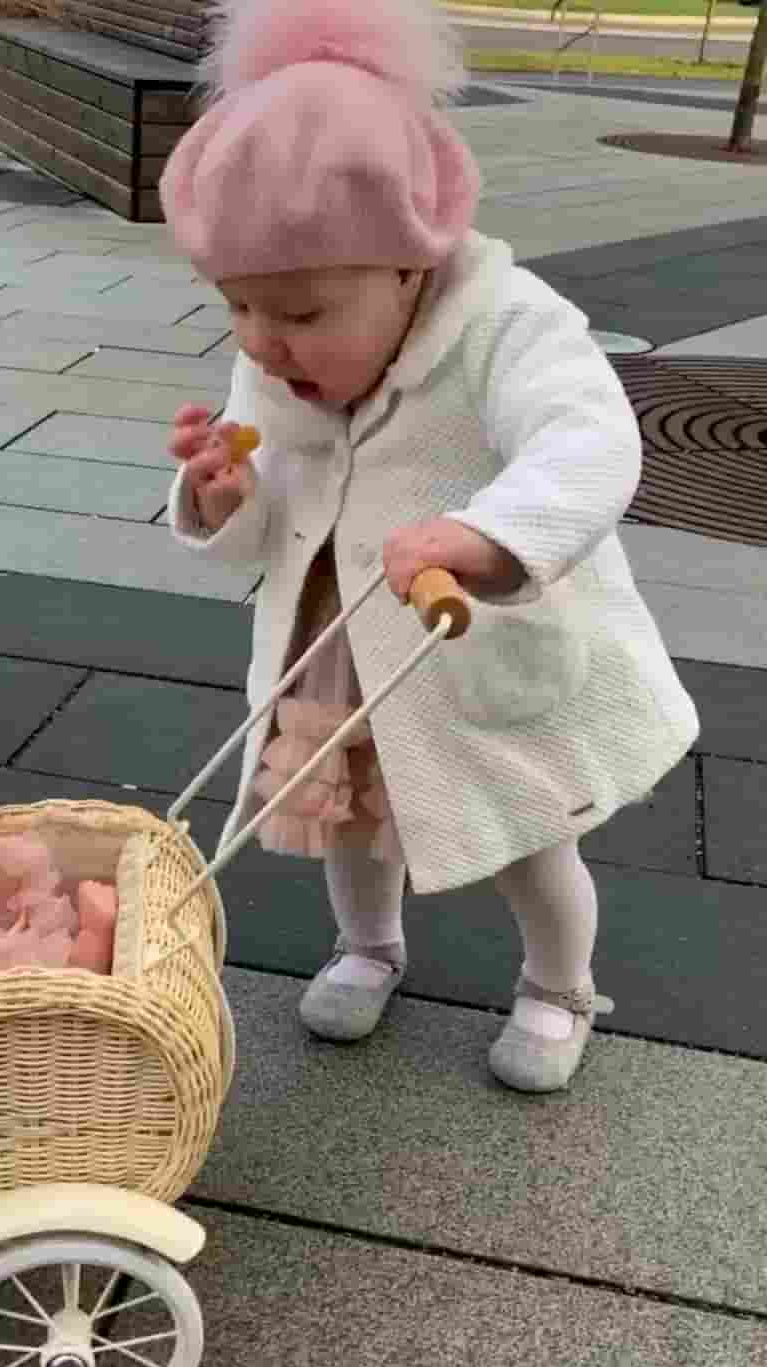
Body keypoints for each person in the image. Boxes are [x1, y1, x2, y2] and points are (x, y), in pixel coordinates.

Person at [159, 0, 698, 1092]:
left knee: (530, 834)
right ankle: (369, 946)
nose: (266, 342)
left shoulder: (508, 324)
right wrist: (221, 494)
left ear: (409, 265)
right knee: (346, 817)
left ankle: (558, 983)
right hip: (339, 634)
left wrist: (489, 533)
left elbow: (588, 439)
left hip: (467, 637)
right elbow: (273, 506)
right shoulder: (275, 350)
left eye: (301, 313)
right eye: (237, 308)